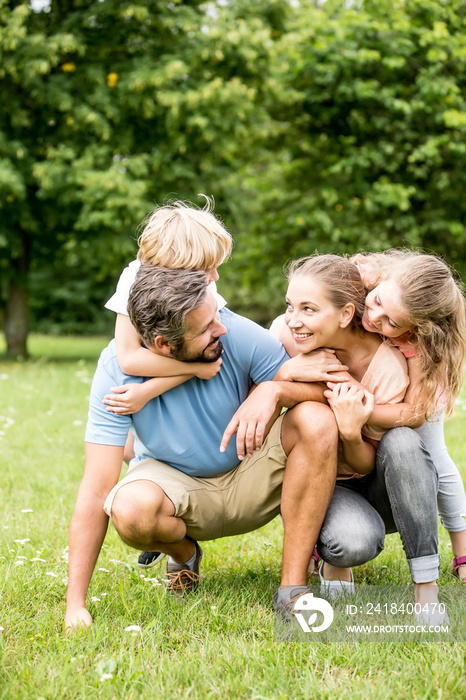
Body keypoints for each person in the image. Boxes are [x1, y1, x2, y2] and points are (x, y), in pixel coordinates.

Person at [64, 265, 339, 631]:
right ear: (164, 345)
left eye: (216, 316)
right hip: (177, 486)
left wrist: (275, 390)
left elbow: (326, 392)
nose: (220, 328)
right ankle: (184, 554)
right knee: (129, 510)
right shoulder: (116, 369)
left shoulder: (233, 330)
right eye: (206, 327)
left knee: (316, 420)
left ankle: (291, 588)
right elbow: (97, 486)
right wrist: (75, 605)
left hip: (251, 469)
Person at [271, 254, 445, 617]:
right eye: (291, 306)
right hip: (326, 483)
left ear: (345, 314)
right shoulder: (291, 337)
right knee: (351, 542)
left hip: (379, 480)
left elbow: (382, 455)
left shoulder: (395, 365)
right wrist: (288, 370)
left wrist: (353, 428)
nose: (294, 319)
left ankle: (427, 592)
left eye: (306, 309)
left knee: (404, 440)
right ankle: (333, 560)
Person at [352, 250, 466, 583]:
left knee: (434, 454)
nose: (375, 320)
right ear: (381, 281)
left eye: (392, 323)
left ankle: (461, 548)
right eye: (376, 303)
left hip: (408, 398)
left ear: (416, 328)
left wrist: (362, 412)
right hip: (370, 379)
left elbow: (415, 412)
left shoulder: (420, 342)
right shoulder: (365, 279)